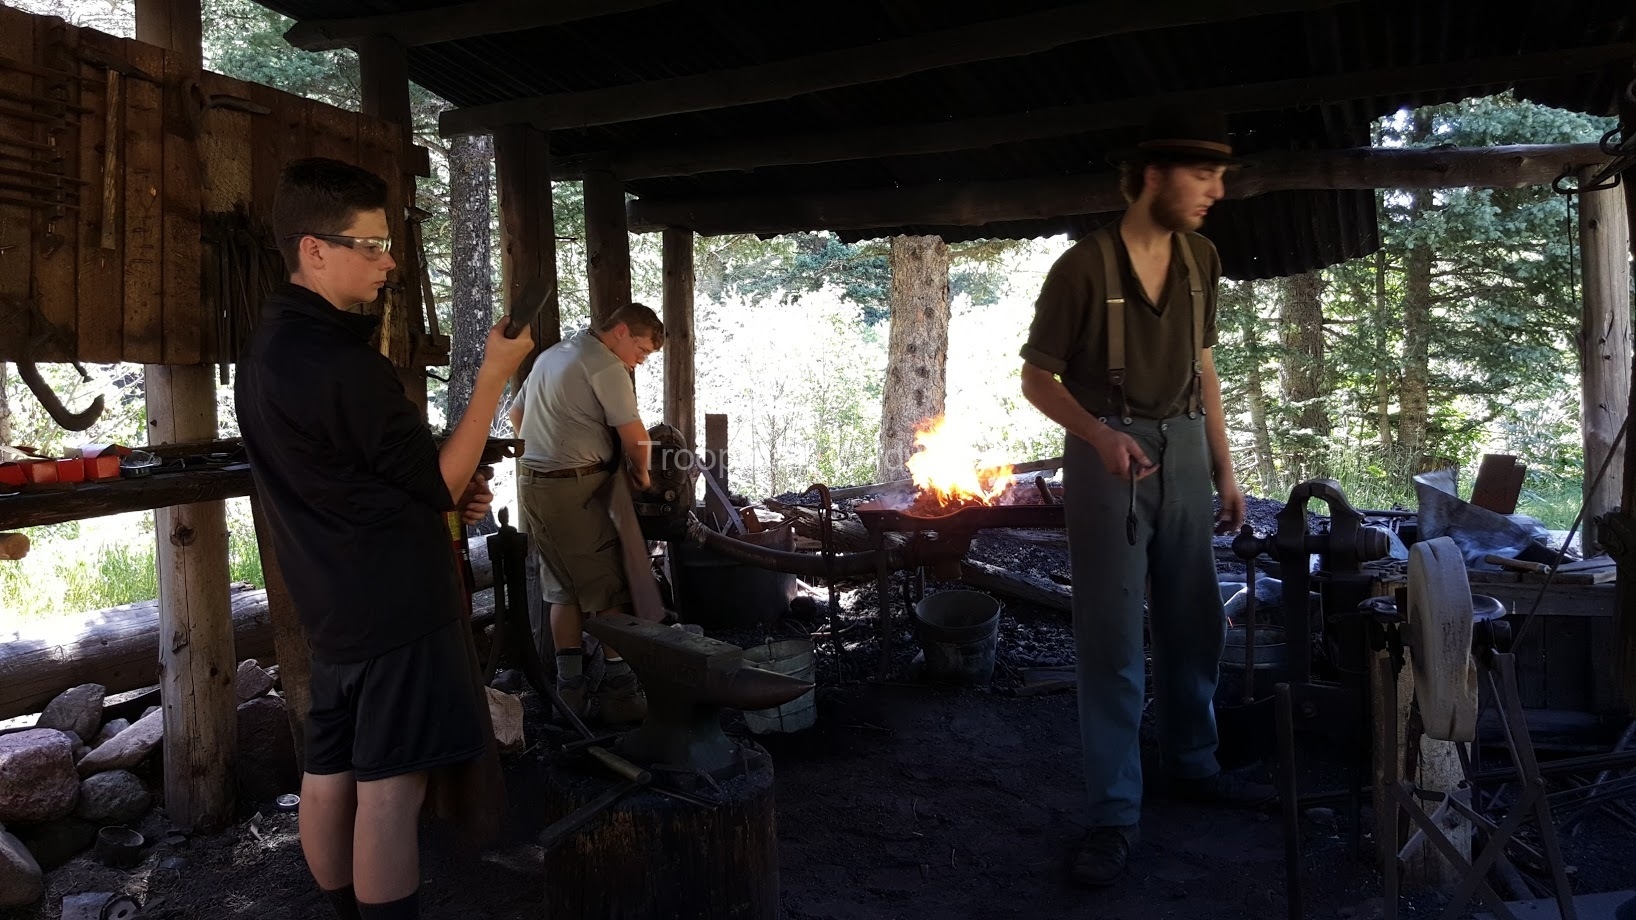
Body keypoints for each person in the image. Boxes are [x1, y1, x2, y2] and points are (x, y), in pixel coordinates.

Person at [236, 157, 533, 920]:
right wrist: (493, 376)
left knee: (330, 771)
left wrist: (440, 496)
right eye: (369, 245)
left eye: (386, 245)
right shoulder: (344, 367)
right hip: (396, 606)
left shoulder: (265, 353)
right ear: (314, 250)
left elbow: (368, 480)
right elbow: (437, 480)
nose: (389, 262)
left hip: (331, 603)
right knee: (391, 791)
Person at [1018, 108, 1263, 888]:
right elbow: (1036, 379)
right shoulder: (1082, 268)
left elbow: (1205, 368)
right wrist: (1097, 435)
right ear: (1154, 176)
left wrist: (1226, 470)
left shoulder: (1202, 259)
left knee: (1196, 617)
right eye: (1203, 175)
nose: (1216, 191)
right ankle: (1114, 812)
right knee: (1113, 637)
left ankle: (1193, 761)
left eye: (1219, 175)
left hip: (1185, 447)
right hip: (1108, 455)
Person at [509, 304, 665, 722]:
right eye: (641, 350)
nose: (639, 361)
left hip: (534, 484)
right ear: (621, 331)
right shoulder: (605, 364)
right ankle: (621, 692)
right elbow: (636, 438)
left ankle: (570, 692)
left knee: (563, 588)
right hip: (574, 488)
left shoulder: (554, 354)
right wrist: (643, 478)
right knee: (609, 587)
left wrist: (547, 450)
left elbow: (516, 415)